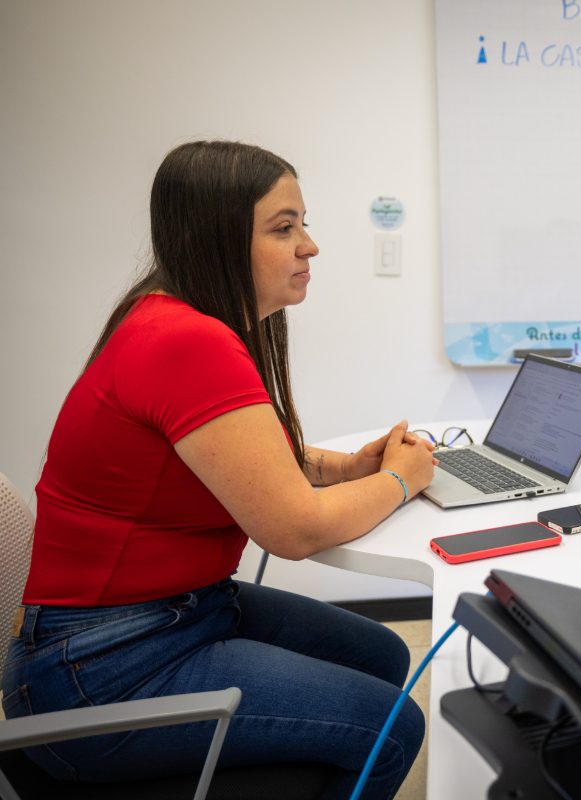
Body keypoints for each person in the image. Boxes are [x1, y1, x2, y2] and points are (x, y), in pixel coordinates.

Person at [1, 140, 438, 798]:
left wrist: (350, 467)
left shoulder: (165, 314)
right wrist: (402, 479)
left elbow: (244, 455)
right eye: (284, 228)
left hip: (150, 621)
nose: (309, 246)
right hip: (103, 669)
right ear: (218, 237)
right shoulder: (188, 342)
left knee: (380, 653)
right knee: (391, 725)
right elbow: (295, 531)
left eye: (304, 224)